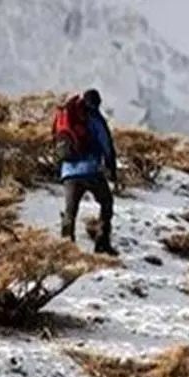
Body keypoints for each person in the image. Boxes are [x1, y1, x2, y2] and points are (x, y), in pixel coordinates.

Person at [55, 88, 119, 256]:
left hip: (68, 172)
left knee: (70, 210)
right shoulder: (93, 117)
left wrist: (59, 168)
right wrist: (112, 169)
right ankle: (102, 244)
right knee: (106, 203)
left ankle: (66, 248)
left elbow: (56, 140)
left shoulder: (64, 115)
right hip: (91, 170)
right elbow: (106, 144)